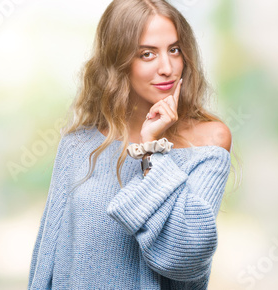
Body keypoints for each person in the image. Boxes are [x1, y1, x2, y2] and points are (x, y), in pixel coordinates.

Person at [28, 0, 240, 289]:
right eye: (147, 54)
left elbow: (187, 256)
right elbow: (49, 258)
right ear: (118, 62)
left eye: (174, 50)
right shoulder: (78, 144)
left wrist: (151, 148)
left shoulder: (209, 141)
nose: (167, 67)